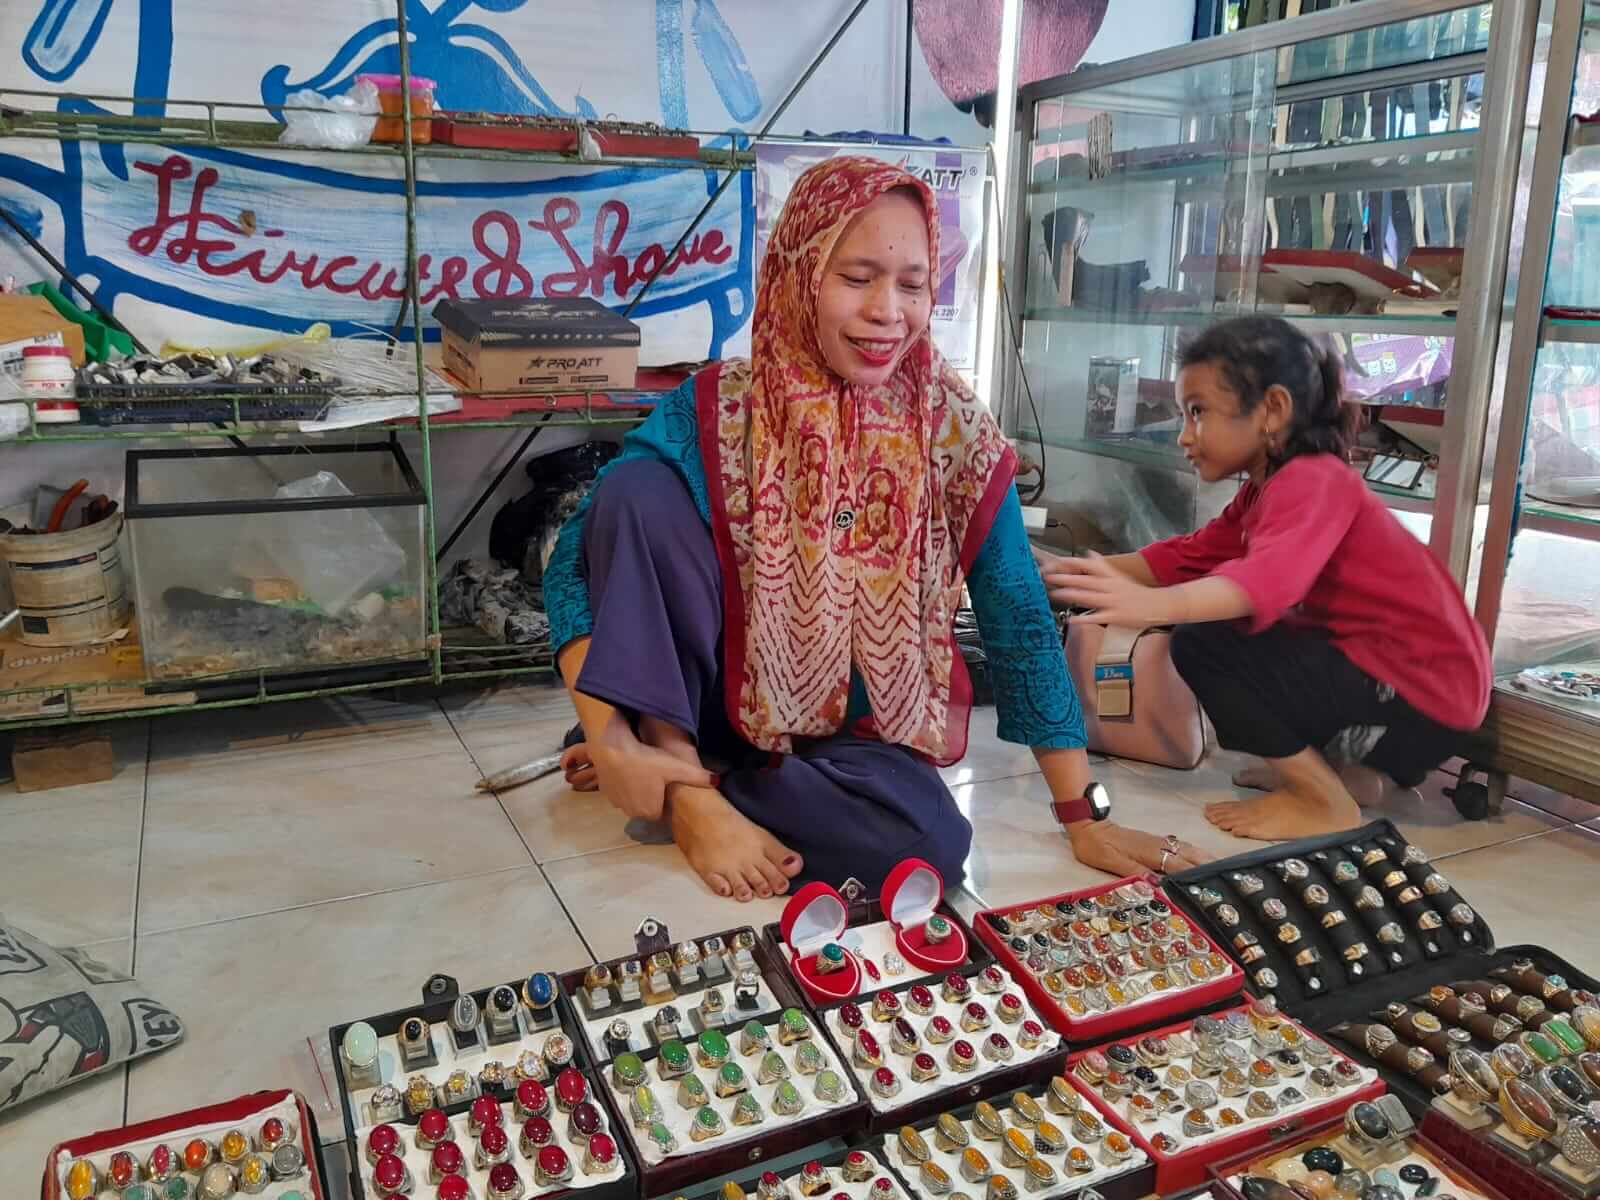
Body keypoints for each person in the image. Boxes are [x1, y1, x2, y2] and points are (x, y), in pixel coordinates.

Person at [543, 156, 1205, 901]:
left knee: (925, 846)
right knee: (635, 491)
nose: (889, 311)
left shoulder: (949, 427)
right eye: (857, 278)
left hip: (846, 742)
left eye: (913, 285)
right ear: (799, 273)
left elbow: (1016, 606)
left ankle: (685, 789)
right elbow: (573, 565)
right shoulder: (720, 407)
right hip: (703, 706)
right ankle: (670, 767)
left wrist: (1084, 815)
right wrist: (608, 734)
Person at [1044, 315, 1492, 841]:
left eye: (1198, 412)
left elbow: (1265, 582)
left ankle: (1321, 798)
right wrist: (1061, 574)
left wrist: (1152, 605)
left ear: (1273, 410)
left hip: (1426, 700)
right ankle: (1354, 777)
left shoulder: (1313, 480)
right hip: (1414, 697)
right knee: (1235, 628)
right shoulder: (1267, 488)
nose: (1185, 435)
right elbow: (1187, 557)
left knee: (1206, 642)